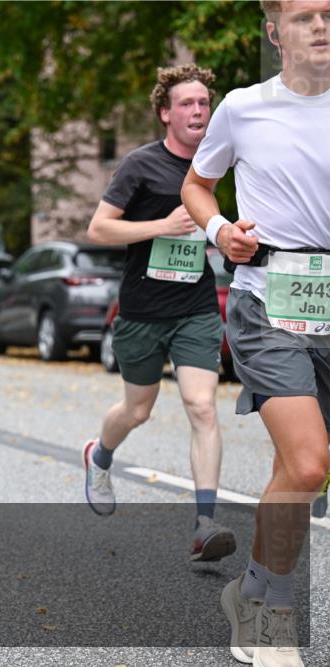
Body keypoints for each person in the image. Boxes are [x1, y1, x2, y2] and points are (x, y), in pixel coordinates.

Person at [182, 2, 329, 665]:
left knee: (295, 473)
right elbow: (197, 184)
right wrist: (221, 232)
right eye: (305, 17)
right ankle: (268, 613)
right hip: (267, 301)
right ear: (276, 32)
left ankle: (250, 589)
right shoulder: (244, 108)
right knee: (307, 463)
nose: (321, 27)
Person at [83, 64, 235, 561]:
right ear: (165, 113)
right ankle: (99, 455)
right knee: (138, 409)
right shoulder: (139, 165)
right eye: (187, 103)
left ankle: (205, 523)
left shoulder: (221, 162)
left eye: (204, 103)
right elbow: (99, 230)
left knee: (202, 406)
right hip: (143, 311)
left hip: (195, 307)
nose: (198, 110)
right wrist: (159, 227)